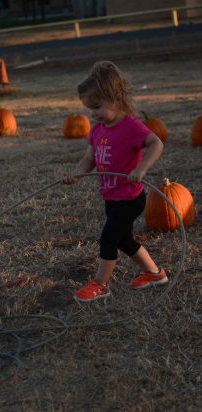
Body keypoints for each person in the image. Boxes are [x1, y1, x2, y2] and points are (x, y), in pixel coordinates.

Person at [62, 61, 168, 303]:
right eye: (90, 108)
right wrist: (75, 174)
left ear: (115, 98)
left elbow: (156, 143)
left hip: (130, 197)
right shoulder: (98, 129)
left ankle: (101, 284)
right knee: (123, 240)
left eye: (97, 106)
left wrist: (140, 168)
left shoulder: (131, 126)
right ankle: (154, 273)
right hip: (110, 196)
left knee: (108, 238)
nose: (93, 113)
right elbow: (88, 159)